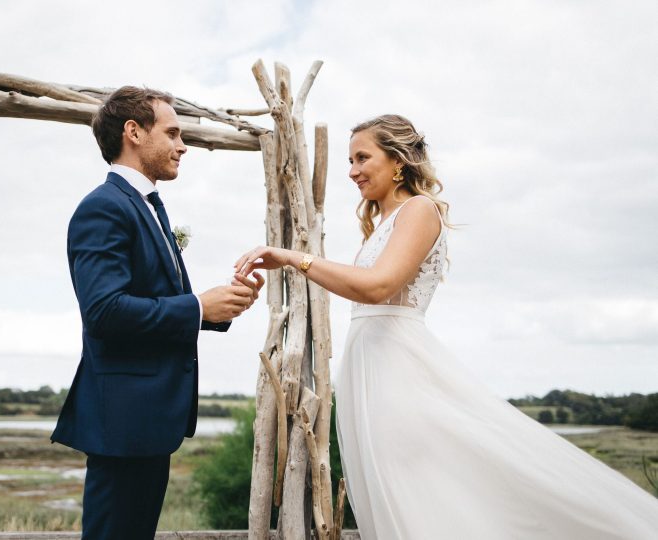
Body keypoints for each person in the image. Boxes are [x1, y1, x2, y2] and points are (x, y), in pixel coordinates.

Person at [235, 114, 658, 539]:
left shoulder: (420, 210)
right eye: (349, 160)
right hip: (370, 370)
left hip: (400, 371)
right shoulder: (383, 223)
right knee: (398, 486)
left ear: (398, 161)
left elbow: (378, 286)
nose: (352, 171)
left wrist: (294, 258)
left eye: (363, 158)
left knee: (421, 487)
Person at [51, 86, 263, 539]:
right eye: (172, 133)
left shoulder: (148, 207)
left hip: (145, 421)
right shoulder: (104, 208)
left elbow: (154, 299)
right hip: (123, 421)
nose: (183, 145)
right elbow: (105, 312)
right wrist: (196, 306)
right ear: (133, 132)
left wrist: (220, 307)